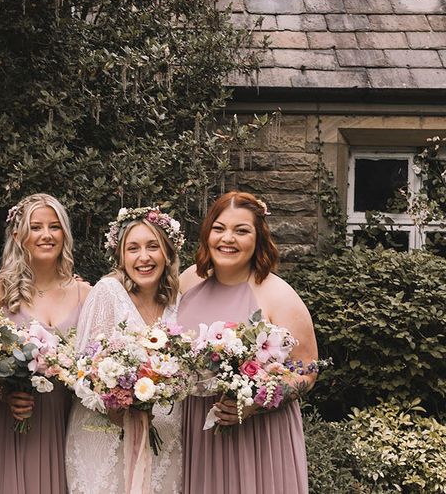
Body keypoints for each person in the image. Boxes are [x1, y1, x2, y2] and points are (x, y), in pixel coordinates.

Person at [177, 191, 317, 494]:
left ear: (258, 238)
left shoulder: (278, 295)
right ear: (207, 233)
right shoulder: (188, 281)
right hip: (194, 428)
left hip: (258, 435)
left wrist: (258, 401)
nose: (228, 239)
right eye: (219, 228)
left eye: (241, 230)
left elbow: (307, 370)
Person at [0, 193, 90, 494]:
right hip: (7, 422)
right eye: (36, 227)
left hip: (63, 425)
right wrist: (3, 394)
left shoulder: (85, 293)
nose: (46, 235)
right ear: (17, 234)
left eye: (55, 227)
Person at [65, 206, 184, 494]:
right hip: (106, 435)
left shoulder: (178, 302)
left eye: (153, 246)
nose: (143, 257)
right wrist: (113, 406)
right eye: (133, 248)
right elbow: (83, 371)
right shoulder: (107, 293)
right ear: (121, 256)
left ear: (167, 253)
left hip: (165, 436)